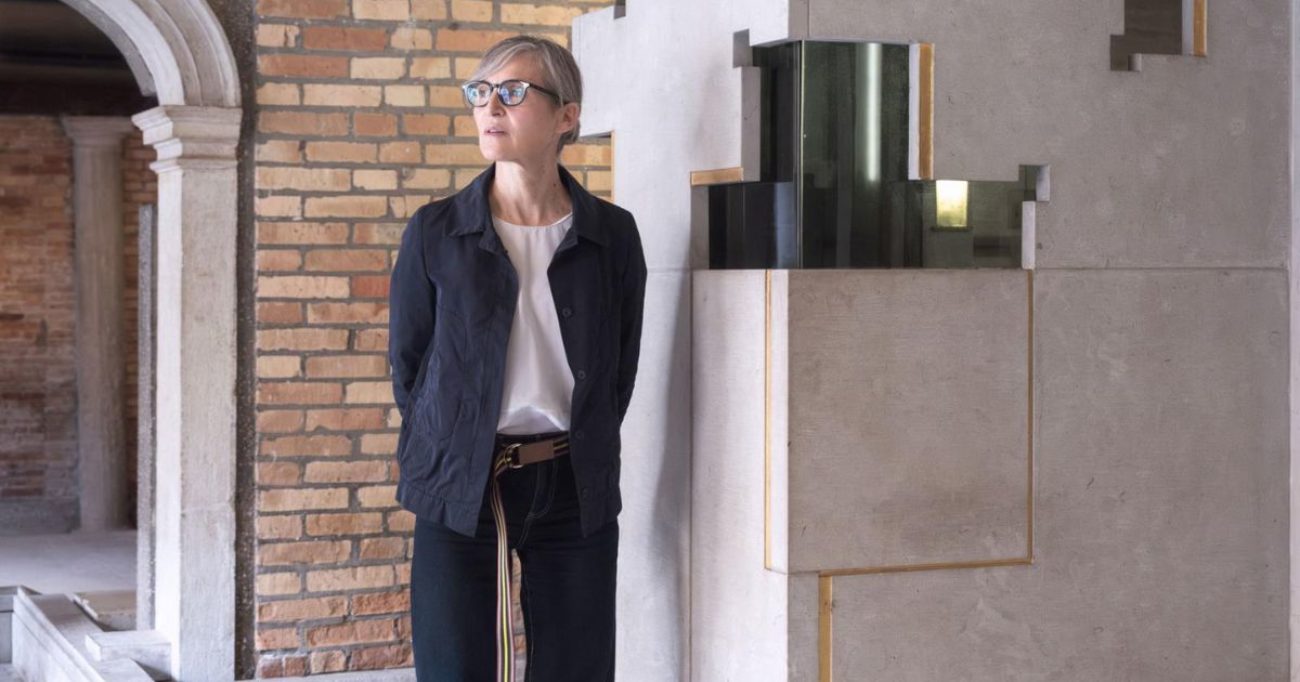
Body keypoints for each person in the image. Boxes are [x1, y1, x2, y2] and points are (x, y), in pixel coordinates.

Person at [387, 34, 647, 682]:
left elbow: (618, 369)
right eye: (480, 92)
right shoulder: (436, 231)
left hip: (573, 482)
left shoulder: (612, 235)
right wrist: (458, 434)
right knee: (453, 668)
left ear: (566, 116)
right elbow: (410, 364)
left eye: (511, 91)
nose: (489, 107)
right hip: (460, 479)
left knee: (577, 669)